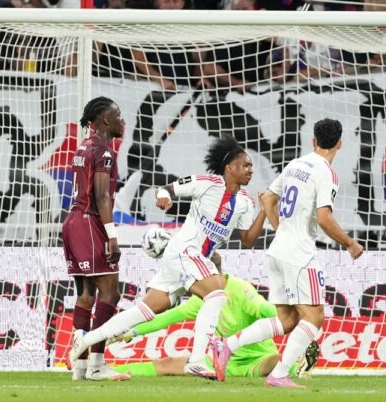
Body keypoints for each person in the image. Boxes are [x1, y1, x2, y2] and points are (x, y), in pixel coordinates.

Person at [69, 135, 266, 380]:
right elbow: (168, 188)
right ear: (230, 168)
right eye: (245, 165)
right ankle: (196, 360)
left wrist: (265, 210)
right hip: (185, 250)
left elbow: (248, 240)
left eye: (250, 166)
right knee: (216, 294)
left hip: (191, 259)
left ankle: (84, 340)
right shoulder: (206, 183)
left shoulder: (246, 202)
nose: (250, 169)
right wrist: (164, 196)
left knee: (145, 311)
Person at [212, 118, 364, 387]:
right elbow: (325, 217)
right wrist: (350, 244)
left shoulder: (296, 164)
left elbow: (268, 199)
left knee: (286, 318)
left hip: (278, 249)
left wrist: (281, 229)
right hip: (299, 252)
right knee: (314, 317)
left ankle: (229, 344)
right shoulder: (326, 172)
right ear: (340, 143)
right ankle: (280, 373)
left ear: (313, 141)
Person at [109, 255, 320, 379]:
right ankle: (111, 371)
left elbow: (271, 312)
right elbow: (165, 318)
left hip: (258, 358)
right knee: (167, 364)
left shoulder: (240, 290)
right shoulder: (202, 296)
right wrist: (131, 332)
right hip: (223, 362)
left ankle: (297, 365)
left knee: (274, 362)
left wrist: (304, 321)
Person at [63, 97, 129, 381]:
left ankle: (80, 366)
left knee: (86, 294)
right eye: (118, 116)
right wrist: (112, 235)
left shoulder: (83, 146)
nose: (121, 121)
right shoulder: (103, 152)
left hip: (73, 222)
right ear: (105, 120)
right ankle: (97, 364)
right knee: (110, 293)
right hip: (91, 223)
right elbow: (101, 196)